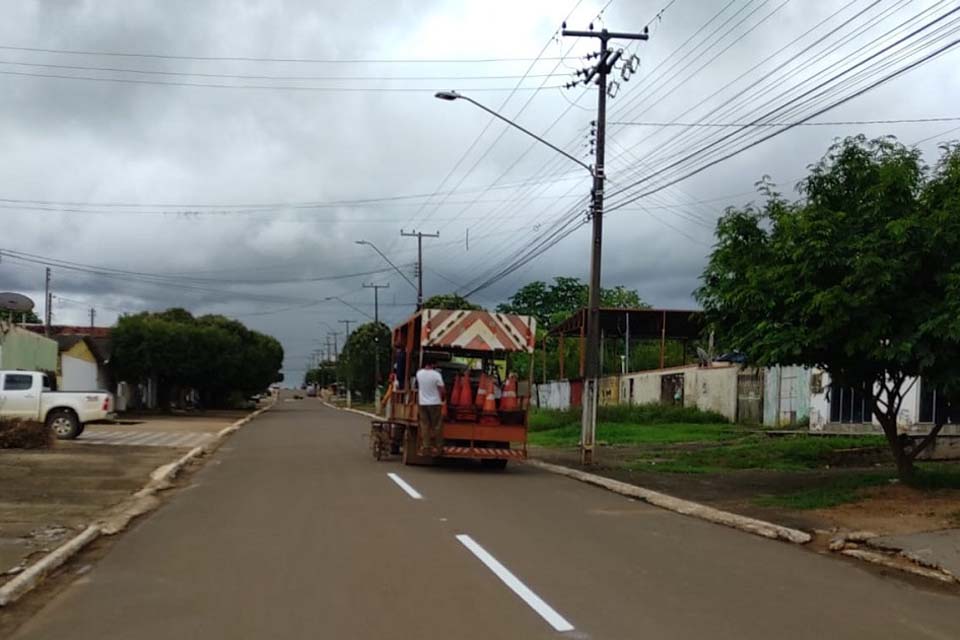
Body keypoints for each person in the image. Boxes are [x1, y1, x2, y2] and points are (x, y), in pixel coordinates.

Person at [415, 358, 446, 454]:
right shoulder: (436, 375)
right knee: (437, 426)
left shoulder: (419, 373)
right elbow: (442, 389)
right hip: (435, 403)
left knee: (425, 425)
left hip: (422, 403)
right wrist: (443, 399)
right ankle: (439, 448)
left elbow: (417, 385)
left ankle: (426, 447)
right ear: (433, 365)